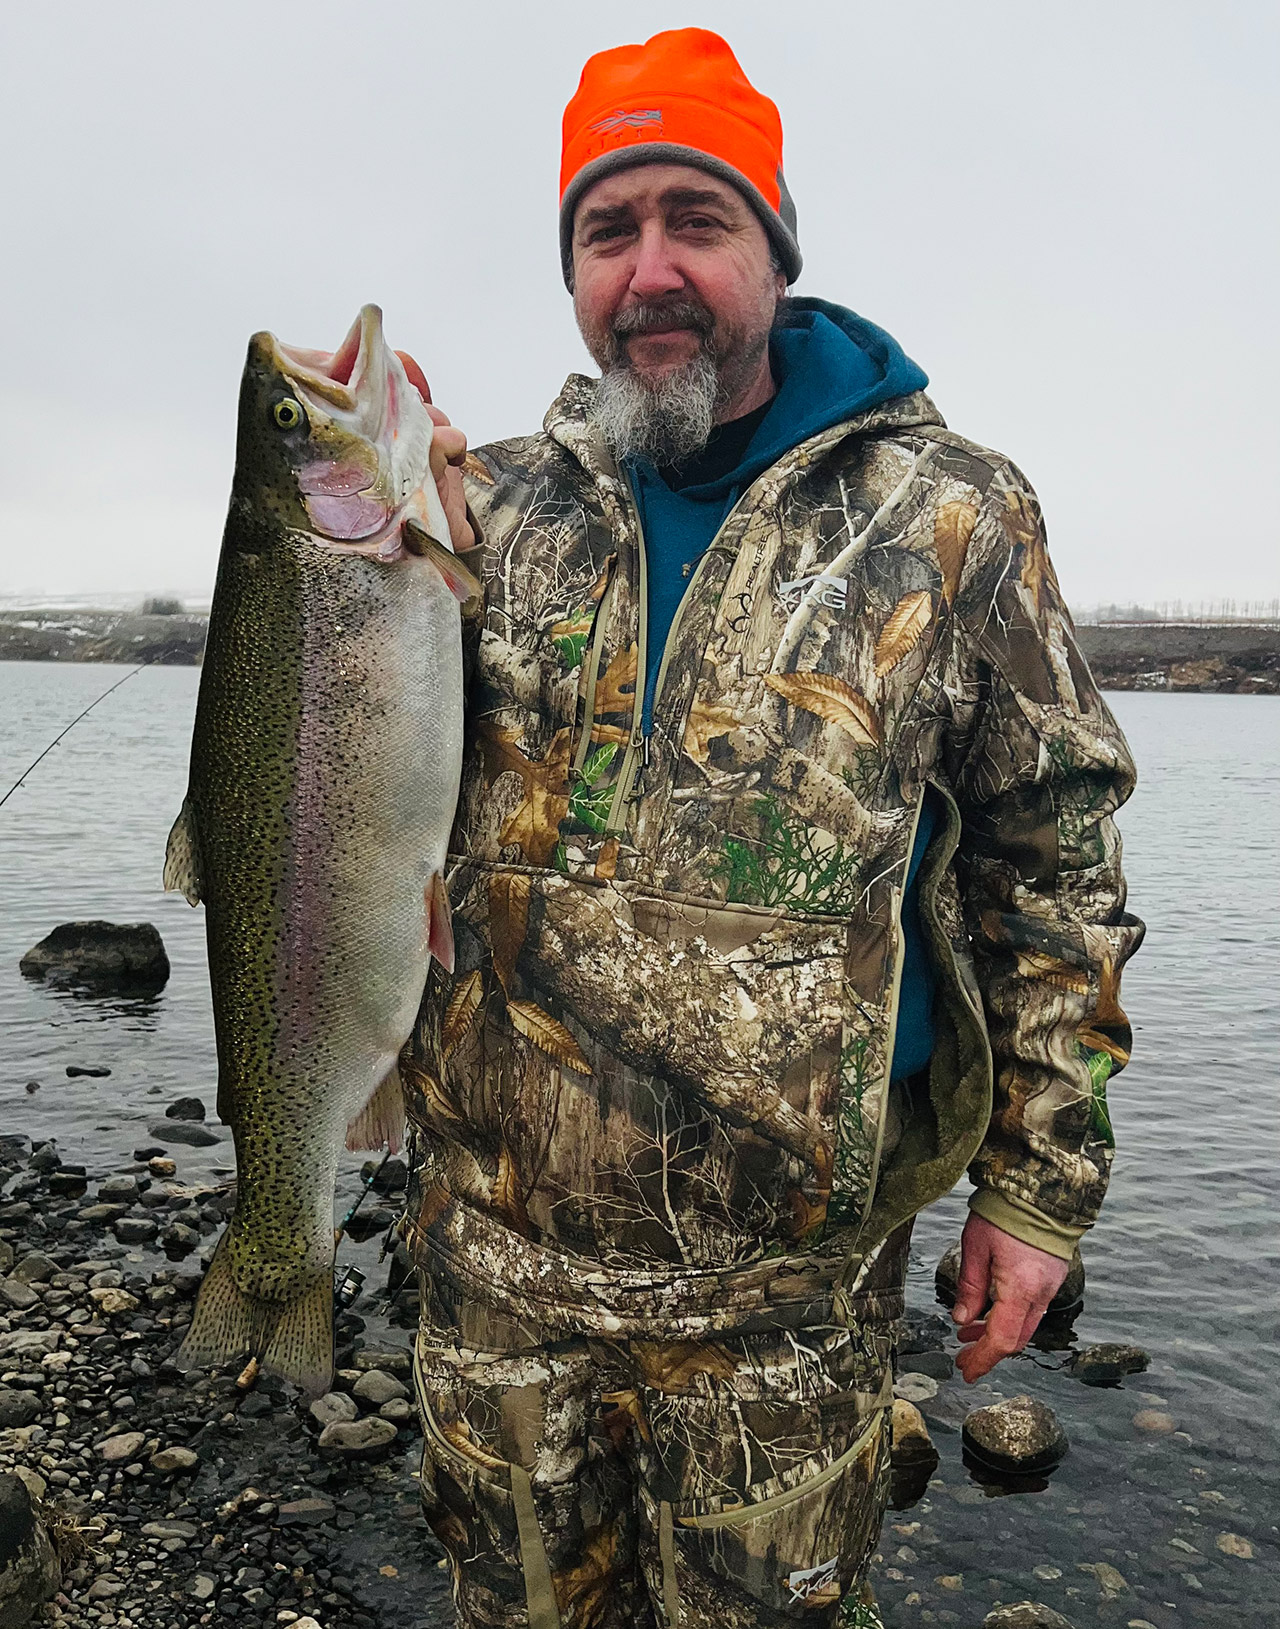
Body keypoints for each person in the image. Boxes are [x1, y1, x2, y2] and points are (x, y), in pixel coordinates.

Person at [401, 27, 1144, 1629]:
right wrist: (355, 525)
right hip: (494, 1284)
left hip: (785, 1304)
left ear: (775, 250)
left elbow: (1058, 855)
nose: (651, 269)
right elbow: (337, 758)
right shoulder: (484, 515)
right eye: (610, 231)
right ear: (573, 273)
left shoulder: (951, 516)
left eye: (697, 219)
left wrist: (1037, 1192)